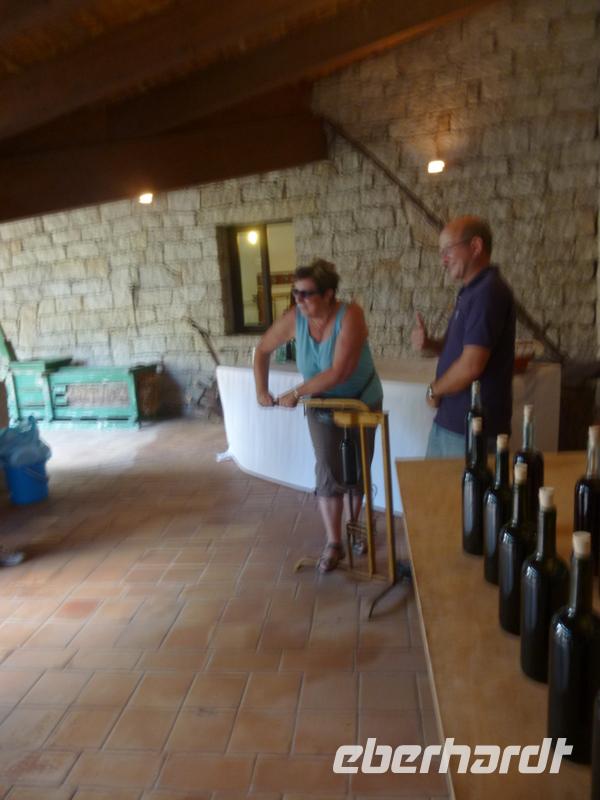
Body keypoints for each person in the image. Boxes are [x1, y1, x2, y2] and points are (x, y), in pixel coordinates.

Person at [253, 258, 383, 573]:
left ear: (328, 294)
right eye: (295, 293)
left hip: (360, 400)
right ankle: (334, 542)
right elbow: (262, 349)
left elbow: (339, 372)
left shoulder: (351, 316)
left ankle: (354, 528)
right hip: (322, 404)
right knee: (327, 469)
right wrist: (261, 390)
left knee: (357, 468)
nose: (299, 300)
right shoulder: (295, 318)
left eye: (306, 294)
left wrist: (297, 392)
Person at [411, 215, 515, 458]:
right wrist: (430, 343)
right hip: (455, 423)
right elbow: (459, 349)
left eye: (447, 250)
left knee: (456, 485)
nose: (443, 261)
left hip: (471, 428)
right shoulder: (472, 291)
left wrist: (434, 390)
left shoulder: (487, 292)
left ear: (475, 246)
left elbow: (471, 365)